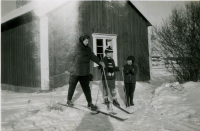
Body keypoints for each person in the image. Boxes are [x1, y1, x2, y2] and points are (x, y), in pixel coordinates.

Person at [67, 34, 105, 111]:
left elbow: (93, 56)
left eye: (88, 41)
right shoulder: (76, 48)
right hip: (75, 72)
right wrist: (69, 69)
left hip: (84, 73)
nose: (87, 42)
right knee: (72, 87)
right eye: (86, 41)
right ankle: (69, 100)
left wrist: (100, 62)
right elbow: (70, 59)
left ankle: (89, 103)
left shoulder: (88, 49)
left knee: (87, 88)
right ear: (82, 40)